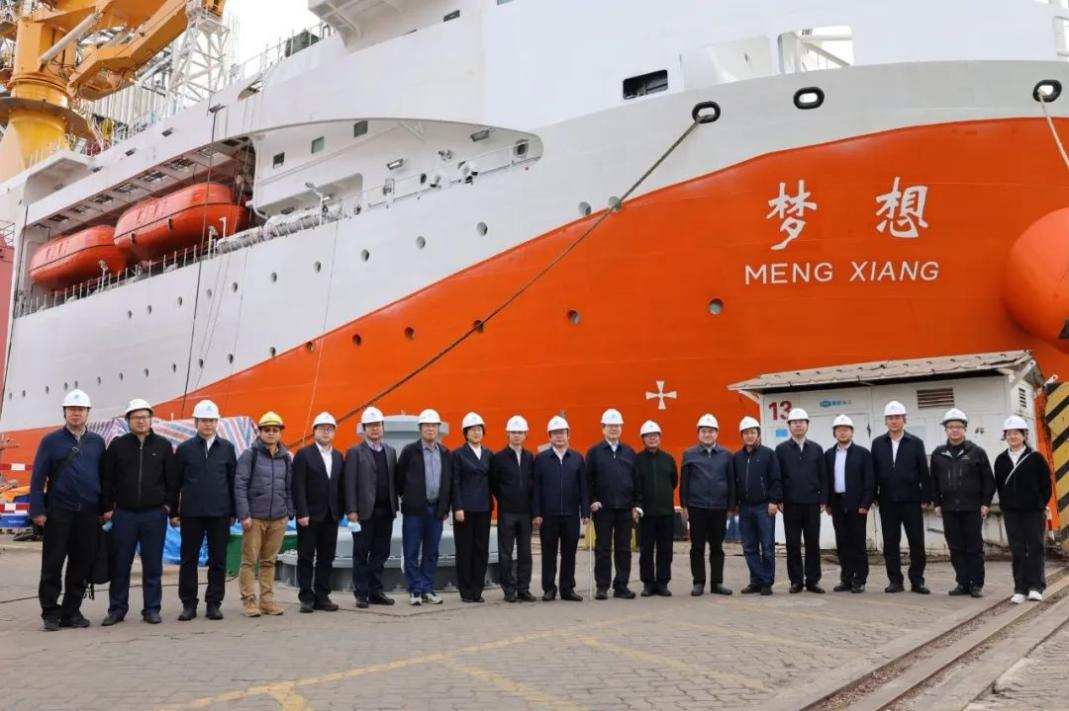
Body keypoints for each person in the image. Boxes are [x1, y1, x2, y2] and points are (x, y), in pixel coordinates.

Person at [30, 389, 107, 631]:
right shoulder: (50, 441)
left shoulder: (97, 442)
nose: (76, 414)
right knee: (52, 564)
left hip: (88, 513)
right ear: (64, 413)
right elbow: (38, 477)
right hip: (59, 513)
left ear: (88, 413)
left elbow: (104, 477)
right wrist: (37, 510)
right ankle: (50, 613)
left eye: (81, 410)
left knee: (81, 565)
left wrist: (105, 508)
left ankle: (71, 611)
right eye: (72, 410)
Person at [100, 398, 175, 626]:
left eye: (144, 417)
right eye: (136, 417)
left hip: (154, 514)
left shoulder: (163, 446)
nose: (141, 421)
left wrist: (168, 506)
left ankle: (151, 609)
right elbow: (107, 479)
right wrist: (107, 508)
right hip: (125, 514)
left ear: (151, 419)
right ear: (128, 420)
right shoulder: (117, 446)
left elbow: (171, 480)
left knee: (153, 565)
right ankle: (117, 609)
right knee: (120, 564)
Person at [168, 399, 237, 621]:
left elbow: (233, 481)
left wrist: (233, 511)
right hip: (192, 513)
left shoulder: (227, 448)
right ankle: (188, 604)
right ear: (196, 422)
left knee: (218, 560)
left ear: (217, 422)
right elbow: (175, 483)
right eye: (204, 420)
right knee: (189, 559)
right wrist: (173, 512)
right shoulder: (185, 449)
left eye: (212, 420)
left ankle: (213, 604)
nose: (208, 424)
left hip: (220, 513)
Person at [235, 411, 294, 617]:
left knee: (269, 561)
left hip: (278, 518)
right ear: (259, 432)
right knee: (249, 561)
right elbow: (240, 485)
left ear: (280, 433)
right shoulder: (249, 455)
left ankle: (267, 601)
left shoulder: (285, 458)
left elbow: (289, 487)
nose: (271, 433)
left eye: (275, 430)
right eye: (267, 430)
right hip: (255, 518)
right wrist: (244, 515)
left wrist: (289, 512)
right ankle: (249, 602)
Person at [931, 408, 994, 598]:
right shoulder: (938, 454)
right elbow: (933, 481)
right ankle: (963, 583)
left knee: (974, 548)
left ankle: (977, 584)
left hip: (972, 508)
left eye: (958, 426)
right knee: (956, 548)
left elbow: (988, 480)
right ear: (946, 430)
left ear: (965, 429)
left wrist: (985, 503)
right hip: (949, 509)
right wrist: (937, 503)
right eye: (951, 427)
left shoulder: (977, 452)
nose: (954, 430)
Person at [871, 400, 932, 594]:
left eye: (897, 417)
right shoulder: (878, 443)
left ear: (904, 419)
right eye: (890, 418)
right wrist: (873, 496)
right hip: (887, 500)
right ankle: (895, 581)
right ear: (885, 421)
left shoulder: (915, 443)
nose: (894, 421)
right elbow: (873, 472)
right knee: (890, 542)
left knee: (916, 542)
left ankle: (917, 581)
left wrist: (926, 497)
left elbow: (924, 472)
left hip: (911, 500)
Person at [396, 408, 455, 606]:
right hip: (414, 511)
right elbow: (399, 479)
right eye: (427, 425)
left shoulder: (445, 453)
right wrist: (409, 499)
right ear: (420, 429)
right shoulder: (409, 451)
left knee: (431, 552)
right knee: (411, 551)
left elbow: (448, 482)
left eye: (434, 425)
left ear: (438, 428)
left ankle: (427, 588)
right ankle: (415, 590)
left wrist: (445, 507)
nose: (430, 429)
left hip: (436, 510)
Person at [344, 406, 399, 609]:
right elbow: (349, 483)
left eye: (378, 425)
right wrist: (351, 510)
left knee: (381, 553)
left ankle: (376, 591)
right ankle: (361, 593)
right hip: (363, 513)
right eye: (370, 425)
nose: (375, 429)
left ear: (383, 427)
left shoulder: (390, 452)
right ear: (364, 428)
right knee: (361, 553)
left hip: (386, 511)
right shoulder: (354, 452)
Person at [994, 415, 1052, 604]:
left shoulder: (1036, 458)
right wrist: (1006, 504)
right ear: (1005, 436)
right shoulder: (1001, 460)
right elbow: (999, 485)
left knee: (1035, 547)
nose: (1012, 437)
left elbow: (1046, 485)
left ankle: (1036, 586)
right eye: (1009, 433)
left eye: (1016, 433)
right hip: (1011, 512)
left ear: (1024, 435)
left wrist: (1039, 503)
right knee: (1017, 549)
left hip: (1033, 511)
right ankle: (1020, 588)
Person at [532, 415, 589, 602]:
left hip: (571, 514)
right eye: (555, 433)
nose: (559, 436)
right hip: (548, 515)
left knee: (569, 553)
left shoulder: (577, 459)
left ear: (568, 435)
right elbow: (536, 488)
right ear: (549, 437)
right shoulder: (541, 459)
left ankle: (567, 588)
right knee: (548, 553)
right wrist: (537, 513)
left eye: (562, 433)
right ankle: (549, 588)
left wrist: (585, 512)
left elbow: (584, 487)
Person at [292, 411, 343, 613]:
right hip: (310, 516)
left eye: (330, 429)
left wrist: (342, 510)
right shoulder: (304, 454)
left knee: (326, 557)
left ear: (334, 432)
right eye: (322, 428)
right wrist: (301, 512)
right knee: (305, 556)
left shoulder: (338, 456)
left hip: (331, 515)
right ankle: (306, 597)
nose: (326, 432)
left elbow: (340, 486)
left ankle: (322, 596)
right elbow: (298, 486)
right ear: (314, 431)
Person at [586, 408, 640, 600]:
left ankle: (621, 585)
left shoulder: (629, 452)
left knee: (624, 549)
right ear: (603, 428)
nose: (614, 429)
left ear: (621, 428)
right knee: (603, 548)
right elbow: (588, 480)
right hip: (603, 508)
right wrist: (592, 500)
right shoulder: (594, 453)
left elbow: (636, 481)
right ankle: (602, 586)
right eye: (610, 426)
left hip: (625, 508)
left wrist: (637, 505)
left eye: (617, 426)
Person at [680, 414, 735, 597]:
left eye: (711, 431)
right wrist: (684, 505)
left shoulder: (726, 455)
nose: (707, 434)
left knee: (717, 547)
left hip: (719, 507)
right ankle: (698, 582)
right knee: (697, 547)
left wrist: (731, 506)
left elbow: (731, 482)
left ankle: (717, 583)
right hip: (697, 507)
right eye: (704, 431)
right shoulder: (689, 454)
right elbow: (684, 481)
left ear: (717, 433)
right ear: (698, 434)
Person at [774, 408, 828, 594]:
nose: (798, 425)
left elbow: (823, 476)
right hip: (790, 504)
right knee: (793, 544)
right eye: (794, 422)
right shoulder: (781, 450)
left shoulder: (816, 449)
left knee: (813, 543)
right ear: (789, 426)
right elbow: (778, 477)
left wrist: (823, 499)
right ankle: (796, 581)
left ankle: (813, 580)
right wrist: (779, 499)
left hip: (812, 503)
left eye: (801, 422)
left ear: (807, 425)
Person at [823, 415, 875, 594]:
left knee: (857, 543)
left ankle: (860, 579)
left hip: (857, 504)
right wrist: (828, 503)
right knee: (843, 543)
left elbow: (869, 480)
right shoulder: (829, 454)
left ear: (852, 432)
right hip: (837, 503)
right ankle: (846, 579)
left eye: (846, 429)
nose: (842, 433)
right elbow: (826, 480)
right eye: (839, 430)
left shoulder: (862, 453)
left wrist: (866, 503)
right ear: (834, 433)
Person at [490, 415, 536, 602]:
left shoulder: (529, 457)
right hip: (507, 512)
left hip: (525, 513)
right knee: (506, 553)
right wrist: (505, 499)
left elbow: (533, 484)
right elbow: (494, 483)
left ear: (525, 435)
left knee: (525, 553)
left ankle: (523, 588)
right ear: (507, 434)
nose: (517, 435)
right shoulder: (499, 458)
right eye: (513, 432)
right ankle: (509, 590)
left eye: (520, 432)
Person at [734, 416, 781, 596]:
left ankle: (766, 582)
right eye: (746, 433)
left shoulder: (768, 454)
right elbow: (734, 482)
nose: (749, 436)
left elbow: (776, 479)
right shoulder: (737, 457)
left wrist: (774, 501)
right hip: (745, 508)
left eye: (753, 432)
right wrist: (734, 504)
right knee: (749, 547)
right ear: (742, 436)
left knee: (767, 547)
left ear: (758, 434)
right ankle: (756, 581)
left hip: (764, 507)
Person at [453, 412, 494, 603]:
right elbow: (455, 482)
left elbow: (494, 480)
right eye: (472, 430)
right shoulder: (458, 454)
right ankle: (466, 590)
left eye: (479, 429)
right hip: (465, 509)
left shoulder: (488, 454)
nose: (476, 433)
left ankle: (478, 590)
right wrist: (457, 507)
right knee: (465, 550)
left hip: (484, 507)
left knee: (481, 550)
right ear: (465, 433)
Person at [634, 420, 677, 597]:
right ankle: (648, 583)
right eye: (648, 436)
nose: (652, 438)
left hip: (666, 513)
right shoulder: (637, 460)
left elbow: (674, 481)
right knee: (646, 550)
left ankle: (662, 583)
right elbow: (635, 485)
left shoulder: (668, 459)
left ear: (660, 438)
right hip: (646, 513)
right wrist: (637, 506)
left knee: (665, 549)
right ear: (643, 439)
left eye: (655, 435)